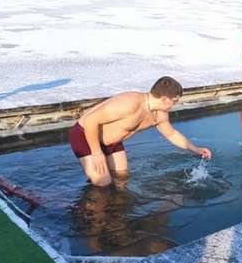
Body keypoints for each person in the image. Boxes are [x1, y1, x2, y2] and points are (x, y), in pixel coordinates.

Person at [68, 76, 212, 186]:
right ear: (164, 99)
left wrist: (196, 149)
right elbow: (90, 120)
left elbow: (172, 134)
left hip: (113, 141)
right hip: (86, 136)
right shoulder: (130, 103)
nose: (174, 105)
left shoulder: (159, 114)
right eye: (174, 102)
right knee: (103, 183)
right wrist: (97, 152)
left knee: (122, 178)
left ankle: (117, 216)